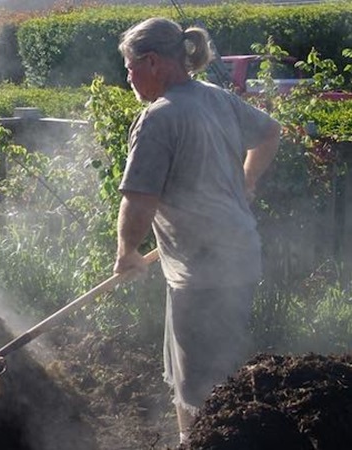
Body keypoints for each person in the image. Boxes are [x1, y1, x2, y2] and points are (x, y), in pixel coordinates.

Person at [112, 17, 281, 444]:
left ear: (152, 62)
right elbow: (270, 132)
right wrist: (247, 181)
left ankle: (199, 443)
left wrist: (127, 252)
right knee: (216, 368)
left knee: (196, 384)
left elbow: (139, 198)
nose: (128, 76)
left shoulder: (159, 117)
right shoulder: (217, 99)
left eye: (130, 66)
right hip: (238, 256)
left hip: (201, 271)